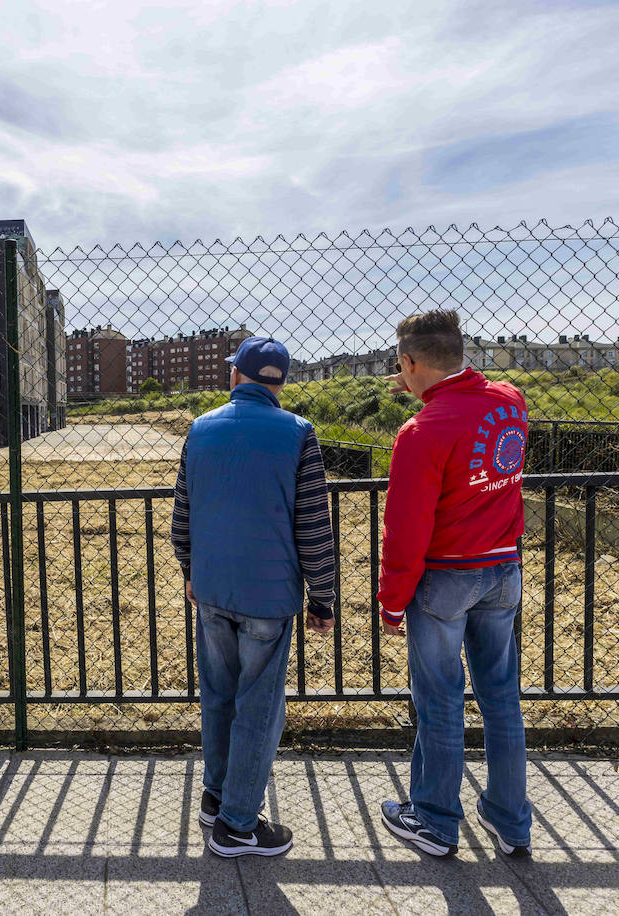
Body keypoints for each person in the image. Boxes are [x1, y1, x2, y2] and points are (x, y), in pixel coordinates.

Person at [171, 336, 337, 859]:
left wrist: (192, 573)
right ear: (279, 383)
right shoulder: (298, 433)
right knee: (259, 708)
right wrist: (323, 597)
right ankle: (239, 826)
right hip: (269, 595)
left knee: (219, 695)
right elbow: (313, 523)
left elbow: (183, 518)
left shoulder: (200, 430)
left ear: (237, 376)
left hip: (213, 590)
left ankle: (216, 796)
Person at [377, 309, 533, 859]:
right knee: (501, 699)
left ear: (410, 361)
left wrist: (392, 602)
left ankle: (436, 821)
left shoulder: (421, 433)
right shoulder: (510, 402)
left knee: (441, 701)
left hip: (445, 578)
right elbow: (477, 409)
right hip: (503, 570)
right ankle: (512, 821)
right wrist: (426, 387)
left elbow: (407, 528)